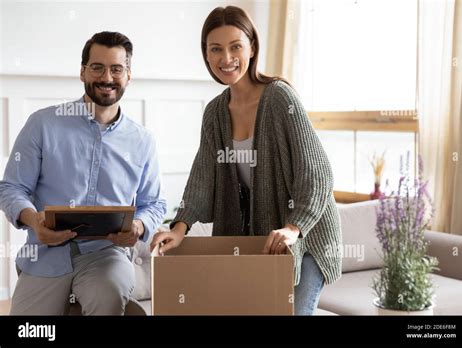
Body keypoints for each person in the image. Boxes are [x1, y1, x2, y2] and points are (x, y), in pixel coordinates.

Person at [150, 6, 342, 315]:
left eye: (235, 46)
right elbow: (203, 177)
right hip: (261, 241)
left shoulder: (280, 99)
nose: (226, 58)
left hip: (307, 238)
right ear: (207, 55)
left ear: (252, 47)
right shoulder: (215, 113)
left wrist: (293, 228)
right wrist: (180, 227)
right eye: (216, 49)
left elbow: (317, 174)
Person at [0, 31, 166, 315]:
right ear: (82, 72)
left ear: (128, 75)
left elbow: (154, 204)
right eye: (97, 67)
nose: (107, 77)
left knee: (109, 297)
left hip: (106, 255)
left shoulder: (142, 140)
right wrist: (34, 222)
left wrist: (138, 228)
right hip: (45, 254)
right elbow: (12, 188)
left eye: (116, 69)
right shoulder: (42, 124)